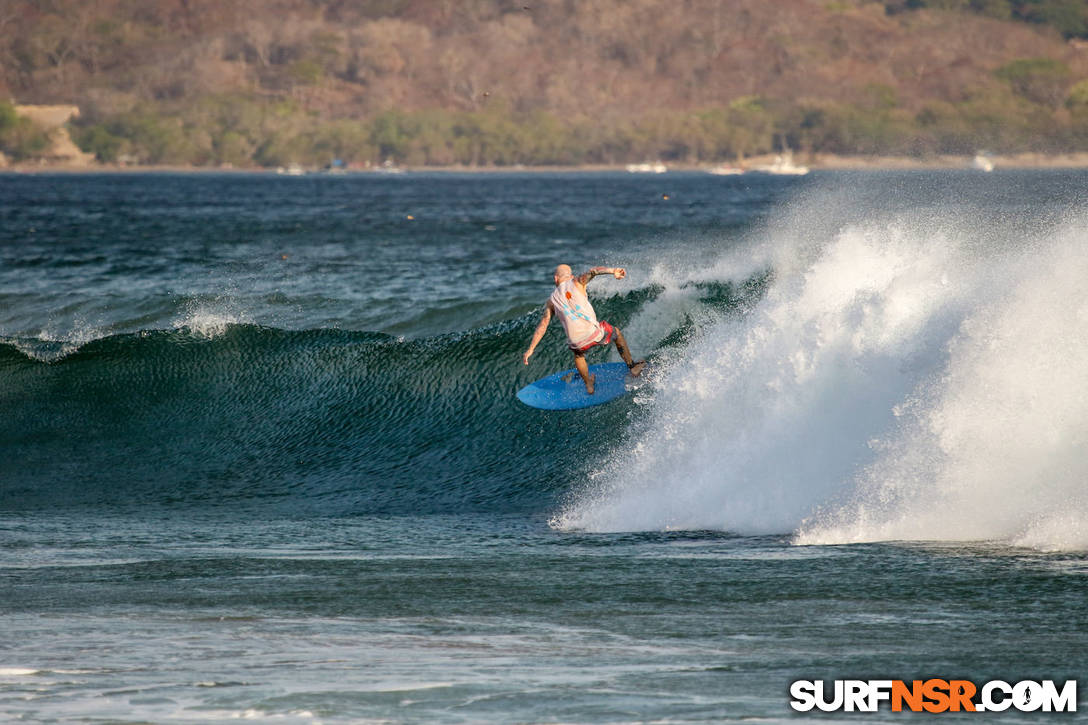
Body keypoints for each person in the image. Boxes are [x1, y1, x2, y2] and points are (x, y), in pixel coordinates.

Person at [522, 264, 645, 394]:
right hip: (593, 333)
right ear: (571, 276)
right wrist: (613, 271)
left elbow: (543, 325)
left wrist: (530, 349)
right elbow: (594, 271)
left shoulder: (551, 301)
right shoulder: (577, 281)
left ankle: (589, 385)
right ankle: (632, 367)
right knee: (616, 333)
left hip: (576, 342)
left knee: (578, 354)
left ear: (555, 279)